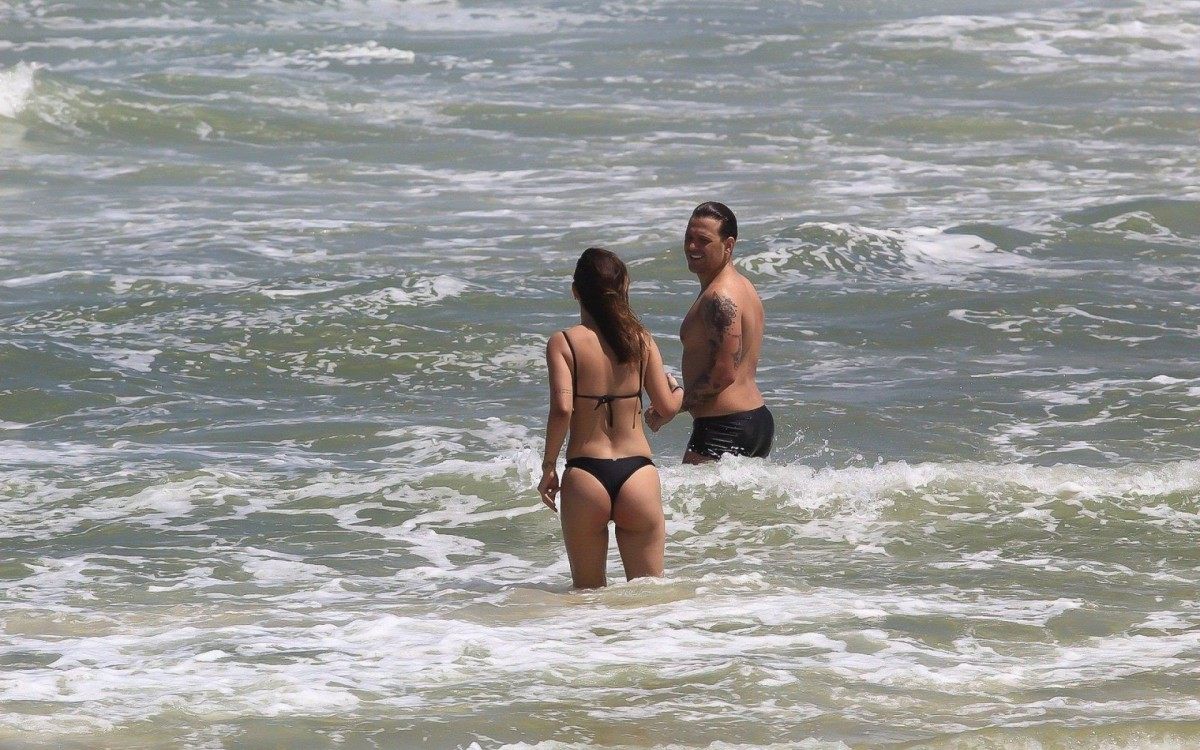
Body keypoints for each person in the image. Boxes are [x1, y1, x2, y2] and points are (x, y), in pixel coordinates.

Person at [539, 247, 684, 589]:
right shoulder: (640, 339)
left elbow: (562, 409)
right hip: (638, 475)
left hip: (585, 475)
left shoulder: (564, 343)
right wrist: (677, 390)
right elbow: (665, 407)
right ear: (624, 288)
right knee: (648, 598)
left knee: (587, 597)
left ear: (576, 290)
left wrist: (548, 467)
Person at [646, 202, 773, 463]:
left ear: (729, 245)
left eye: (703, 240)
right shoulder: (742, 286)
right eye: (689, 238)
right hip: (752, 420)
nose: (692, 247)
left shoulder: (719, 296)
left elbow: (723, 373)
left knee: (679, 505)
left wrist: (674, 403)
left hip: (725, 426)